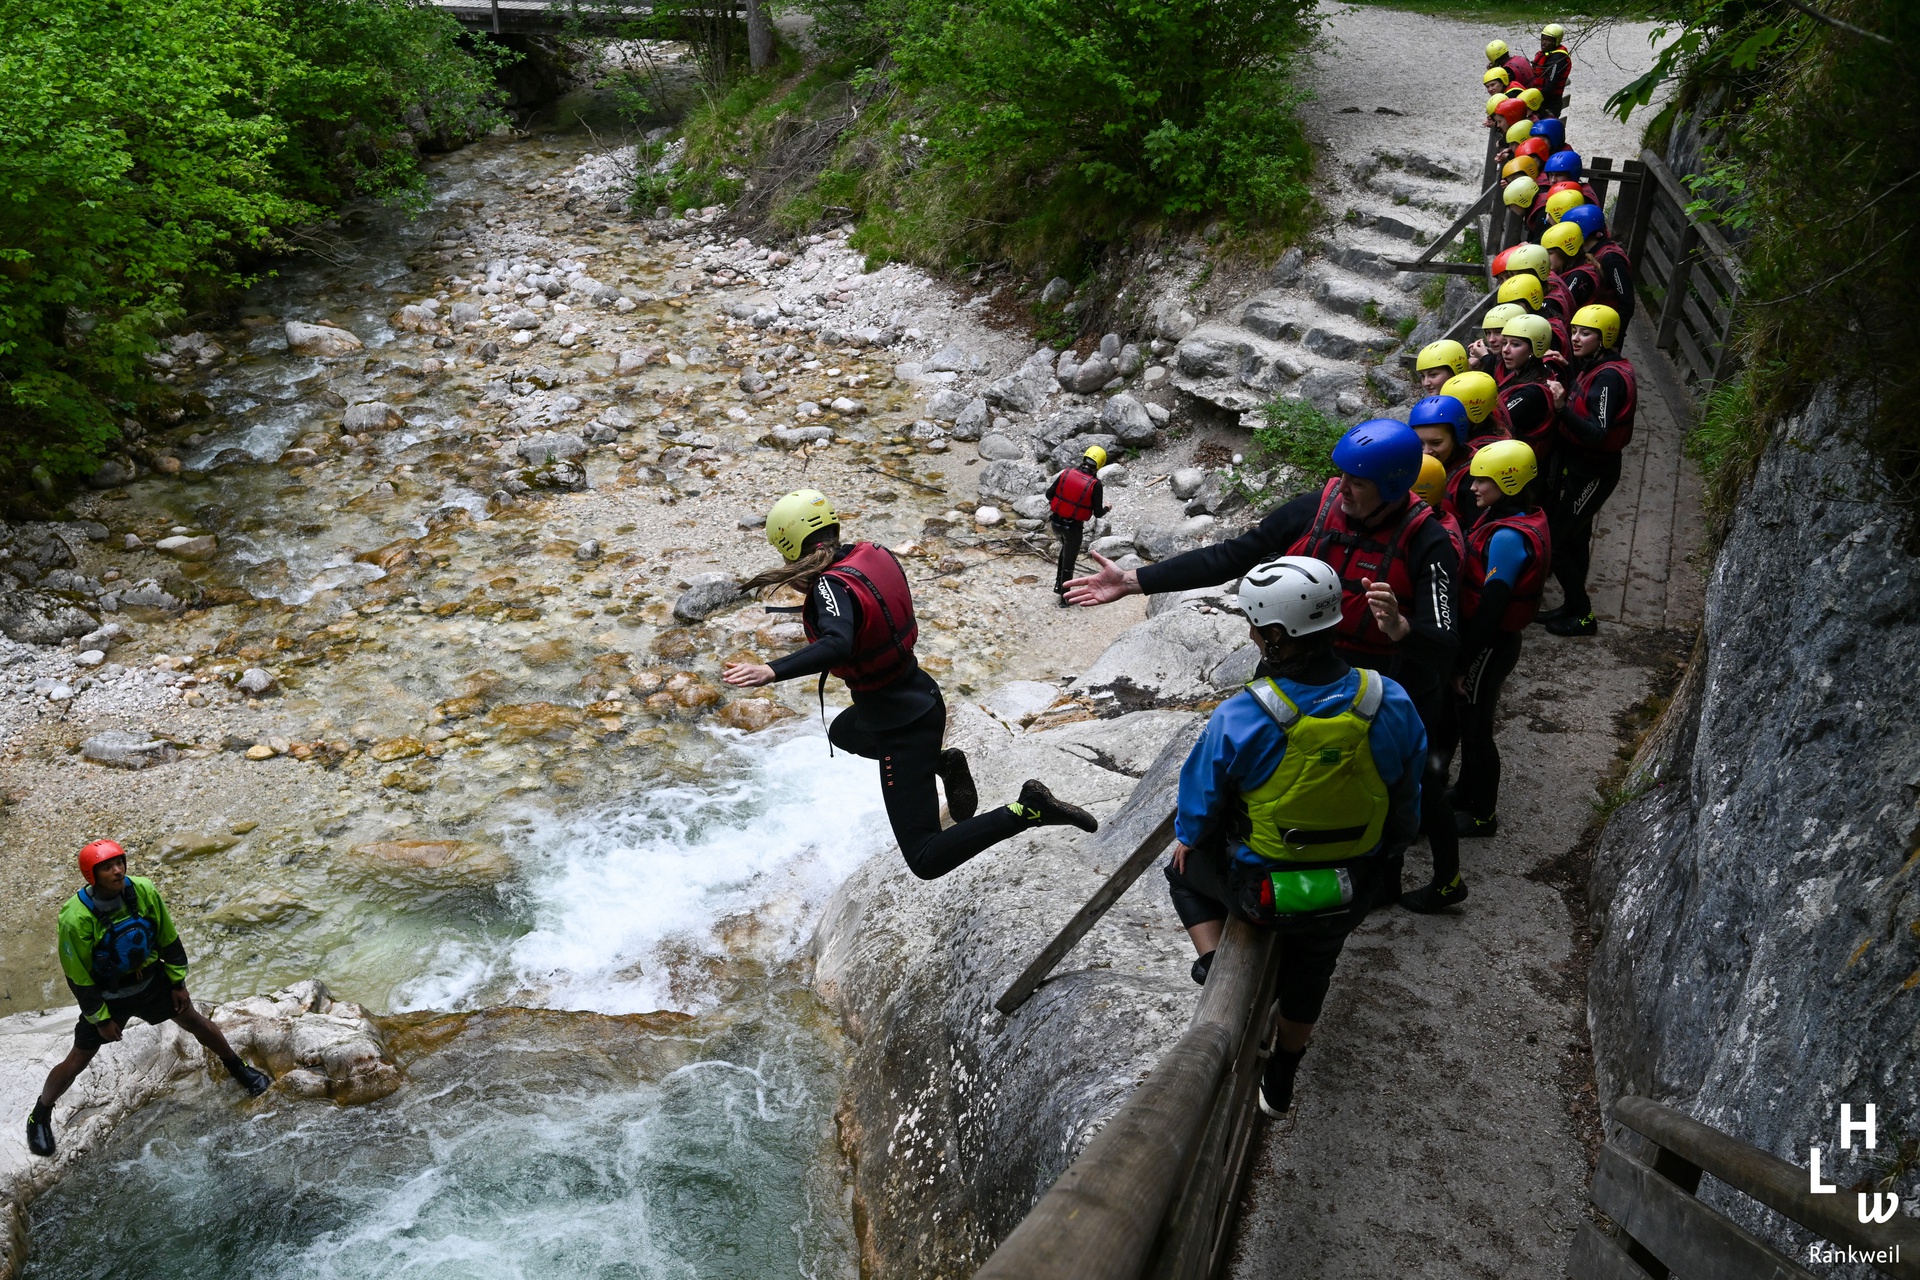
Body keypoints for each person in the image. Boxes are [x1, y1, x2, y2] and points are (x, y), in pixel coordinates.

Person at [1064, 421, 1461, 912]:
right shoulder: (1316, 510)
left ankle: (1429, 878)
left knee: (1416, 777)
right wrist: (1135, 580)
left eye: (1357, 483)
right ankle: (1256, 856)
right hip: (1306, 661)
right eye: (1342, 476)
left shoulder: (1430, 544)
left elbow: (1445, 646)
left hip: (1395, 675)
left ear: (1395, 487)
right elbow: (1233, 555)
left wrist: (1402, 630)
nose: (1343, 490)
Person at [1163, 557, 1426, 1113]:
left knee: (1181, 872)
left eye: (1256, 626)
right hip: (1351, 885)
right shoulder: (1390, 700)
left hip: (1262, 891)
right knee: (1316, 962)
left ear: (1277, 638)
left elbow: (1199, 810)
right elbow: (1407, 803)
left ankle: (1214, 967)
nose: (1252, 634)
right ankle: (1281, 1078)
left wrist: (1191, 838)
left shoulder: (1245, 715)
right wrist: (1385, 858)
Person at [722, 489, 1099, 878]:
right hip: (920, 696)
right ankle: (943, 763)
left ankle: (1028, 808)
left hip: (902, 728)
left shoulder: (828, 587)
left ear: (790, 545)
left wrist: (771, 670)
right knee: (843, 732)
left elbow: (838, 643)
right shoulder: (872, 554)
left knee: (925, 858)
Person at [27, 840, 271, 1158]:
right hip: (108, 996)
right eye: (107, 867)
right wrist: (100, 1018)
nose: (117, 870)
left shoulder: (142, 890)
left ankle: (237, 1067)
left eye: (120, 863)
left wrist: (177, 983)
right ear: (92, 874)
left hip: (151, 981)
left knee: (194, 1021)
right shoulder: (75, 918)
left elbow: (167, 937)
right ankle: (41, 1113)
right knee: (77, 1060)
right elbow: (78, 976)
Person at [1451, 441, 1551, 840]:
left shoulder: (1508, 537)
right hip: (1493, 642)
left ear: (1508, 483)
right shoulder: (1514, 514)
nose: (1474, 487)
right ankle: (1463, 791)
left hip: (1491, 645)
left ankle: (1482, 815)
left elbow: (1492, 606)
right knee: (1470, 722)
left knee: (1476, 728)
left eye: (1484, 480)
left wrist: (1462, 663)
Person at [1541, 306, 1635, 637]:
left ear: (1605, 338)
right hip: (1582, 467)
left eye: (1585, 333)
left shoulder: (1609, 377)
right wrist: (1567, 370)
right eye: (1575, 331)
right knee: (1577, 535)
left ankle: (1583, 615)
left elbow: (1598, 432)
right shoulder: (1594, 365)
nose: (1575, 338)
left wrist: (1561, 409)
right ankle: (1570, 604)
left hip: (1595, 471)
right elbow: (1587, 393)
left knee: (1556, 538)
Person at [1493, 313, 1563, 466]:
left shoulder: (1532, 393)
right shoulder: (1531, 374)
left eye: (1515, 344)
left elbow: (1495, 423)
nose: (1505, 350)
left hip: (1523, 468)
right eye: (1505, 343)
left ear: (1534, 350)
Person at [1046, 444, 1110, 604]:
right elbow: (1097, 513)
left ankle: (1058, 587)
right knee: (1069, 564)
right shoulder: (1096, 484)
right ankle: (1064, 600)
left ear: (1085, 457)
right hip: (1073, 529)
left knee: (1064, 552)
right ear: (1100, 464)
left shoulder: (1067, 473)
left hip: (1055, 524)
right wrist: (1107, 508)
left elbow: (1049, 495)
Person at [1562, 204, 1636, 326]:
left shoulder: (1610, 259)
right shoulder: (1588, 251)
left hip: (1604, 327)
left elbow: (1626, 302)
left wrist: (1614, 341)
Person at [1544, 221, 1602, 313]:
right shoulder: (1568, 268)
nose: (1545, 258)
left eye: (1550, 253)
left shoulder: (1579, 276)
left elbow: (1560, 306)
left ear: (1565, 253)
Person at [1533, 24, 1573, 116]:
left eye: (1548, 40)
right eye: (1543, 39)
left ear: (1556, 41)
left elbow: (1550, 85)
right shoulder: (1547, 54)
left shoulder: (1558, 59)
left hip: (1549, 105)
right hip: (1542, 102)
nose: (1544, 43)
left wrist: (1534, 100)